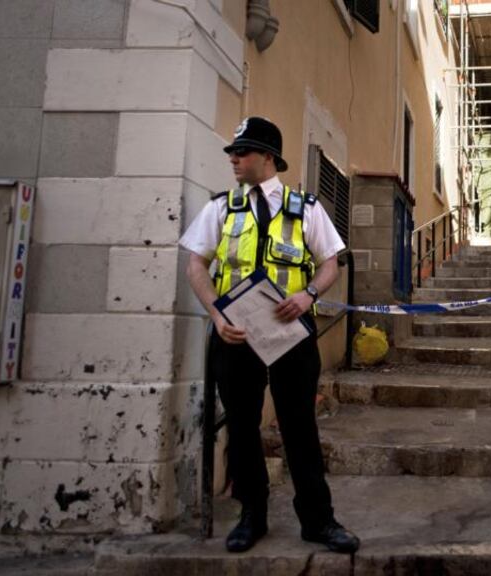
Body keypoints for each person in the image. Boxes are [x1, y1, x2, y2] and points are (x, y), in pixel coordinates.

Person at [180, 116, 359, 554]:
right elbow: (196, 266)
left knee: (300, 428)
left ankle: (318, 520)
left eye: (242, 152)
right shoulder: (221, 208)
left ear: (268, 157)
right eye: (233, 153)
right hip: (236, 336)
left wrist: (308, 294)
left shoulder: (306, 208)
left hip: (290, 337)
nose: (234, 159)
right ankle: (251, 516)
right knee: (241, 428)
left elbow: (331, 263)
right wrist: (216, 315)